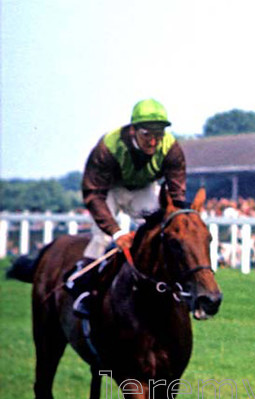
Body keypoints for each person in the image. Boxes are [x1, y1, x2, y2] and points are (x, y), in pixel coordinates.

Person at [66, 98, 187, 316]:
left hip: (143, 189)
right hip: (108, 190)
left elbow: (176, 196)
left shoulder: (171, 148)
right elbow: (93, 194)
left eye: (158, 135)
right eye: (146, 134)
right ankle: (83, 288)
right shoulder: (108, 147)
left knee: (161, 232)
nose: (153, 142)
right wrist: (117, 232)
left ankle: (171, 286)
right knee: (102, 238)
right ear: (133, 130)